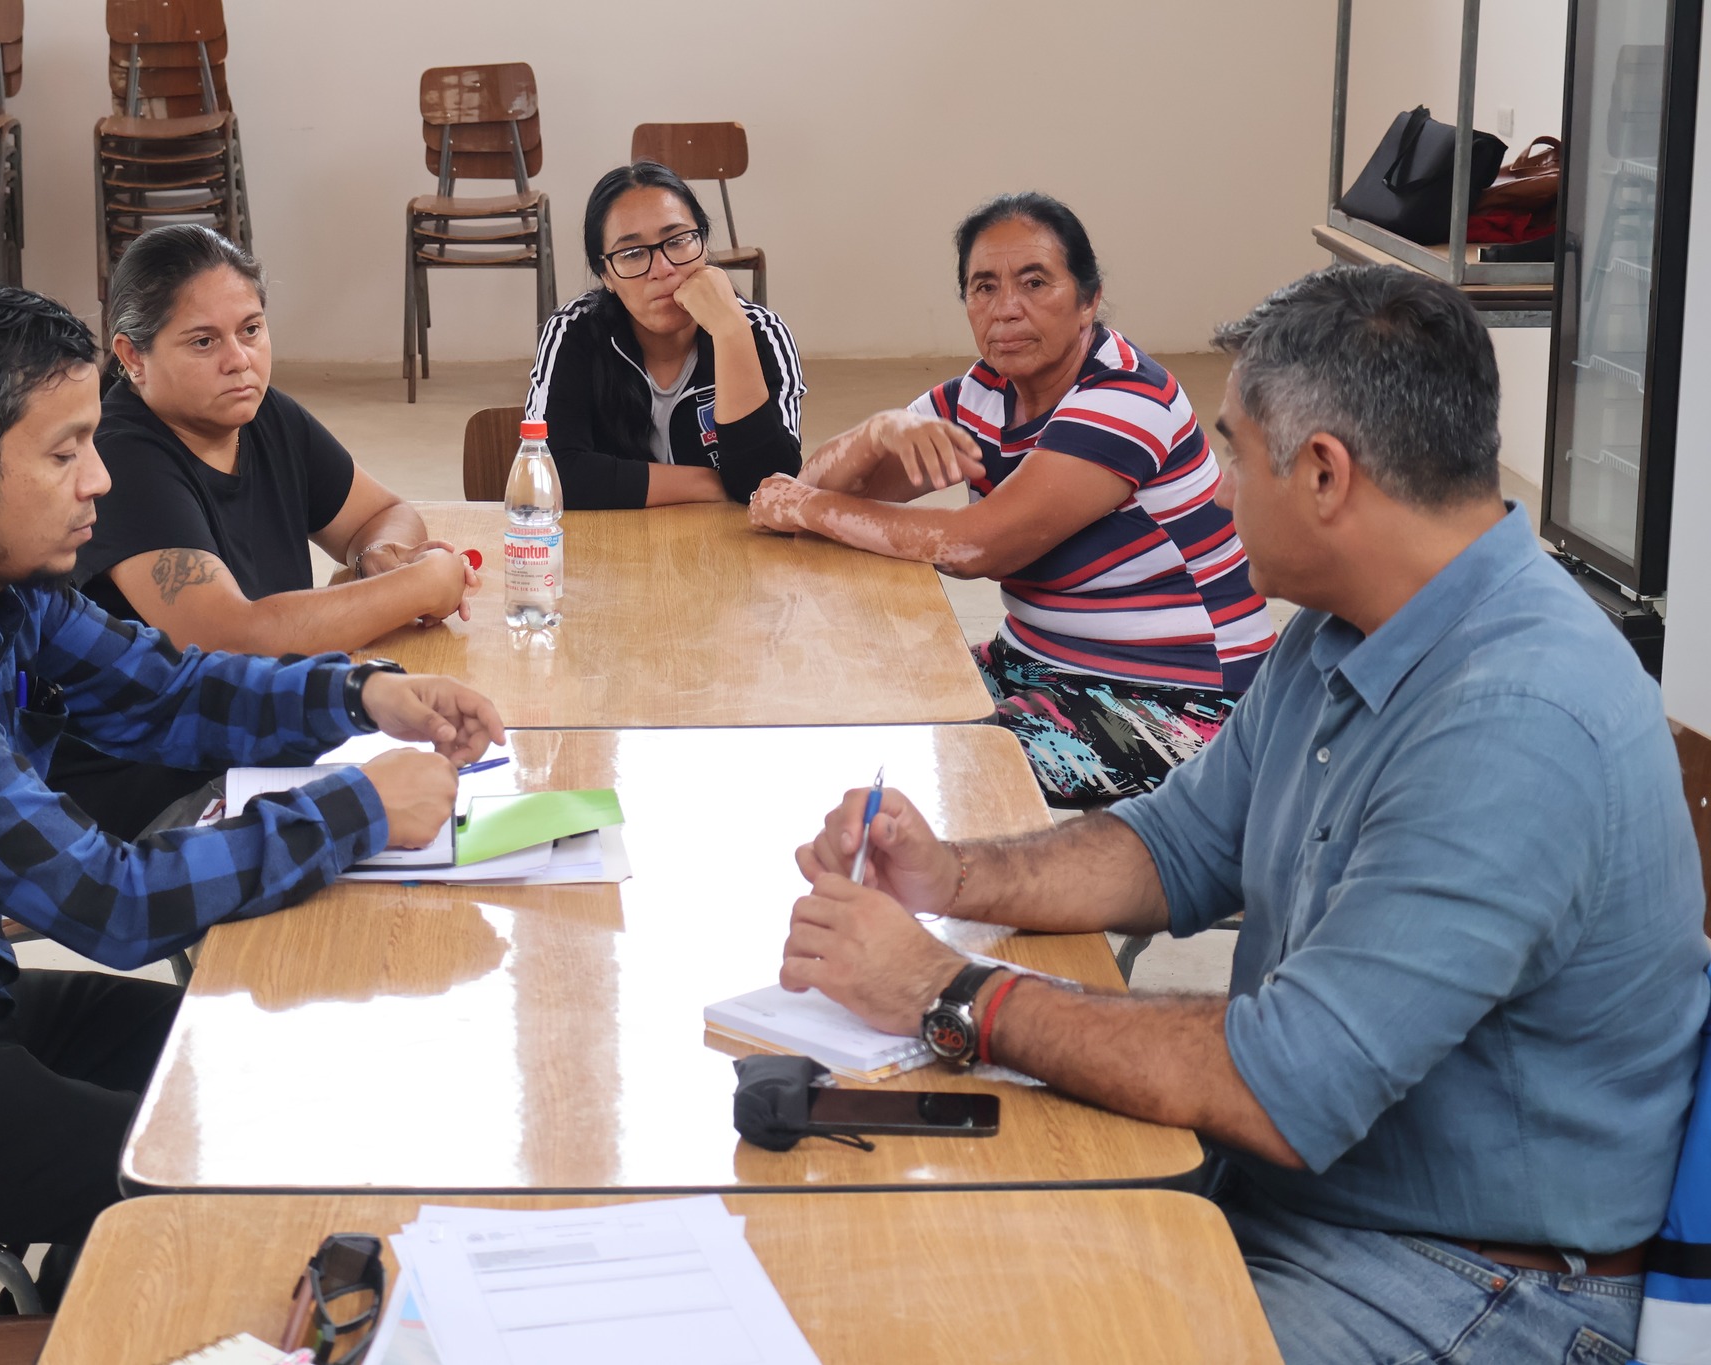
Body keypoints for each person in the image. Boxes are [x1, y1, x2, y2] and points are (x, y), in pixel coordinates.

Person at [775, 266, 1707, 1365]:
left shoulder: (1515, 717)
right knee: (930, 1263)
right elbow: (1173, 845)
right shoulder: (1345, 624)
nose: (1215, 492)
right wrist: (949, 876)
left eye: (1230, 449)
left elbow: (1284, 1081)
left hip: (1473, 1278)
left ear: (1322, 474)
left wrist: (948, 992)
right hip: (1322, 1203)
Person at [0, 272, 504, 1305]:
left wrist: (362, 694)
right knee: (212, 1176)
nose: (98, 480)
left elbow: (162, 689)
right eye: (64, 452)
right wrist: (361, 806)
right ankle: (100, 1304)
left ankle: (71, 1283)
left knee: (267, 1076)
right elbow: (110, 905)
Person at [749, 193, 1274, 806]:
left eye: (1034, 282)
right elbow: (814, 488)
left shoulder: (1127, 397)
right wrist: (877, 430)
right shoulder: (984, 391)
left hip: (1181, 700)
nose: (1007, 310)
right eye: (984, 287)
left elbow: (974, 544)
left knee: (934, 756)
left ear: (1088, 299)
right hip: (1035, 661)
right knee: (854, 693)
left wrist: (805, 508)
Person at [58, 225, 479, 835]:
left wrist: (380, 554)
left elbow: (377, 513)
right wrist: (423, 583)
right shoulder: (120, 457)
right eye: (204, 342)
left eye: (251, 330)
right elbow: (230, 638)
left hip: (265, 751)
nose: (240, 360)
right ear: (131, 358)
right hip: (157, 797)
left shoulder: (259, 413)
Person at [525, 161, 805, 510]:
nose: (663, 269)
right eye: (631, 253)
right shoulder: (574, 332)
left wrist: (731, 333)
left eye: (677, 240)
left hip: (727, 554)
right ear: (606, 275)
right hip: (610, 552)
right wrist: (708, 482)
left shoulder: (760, 333)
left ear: (703, 244)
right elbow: (549, 474)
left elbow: (772, 486)